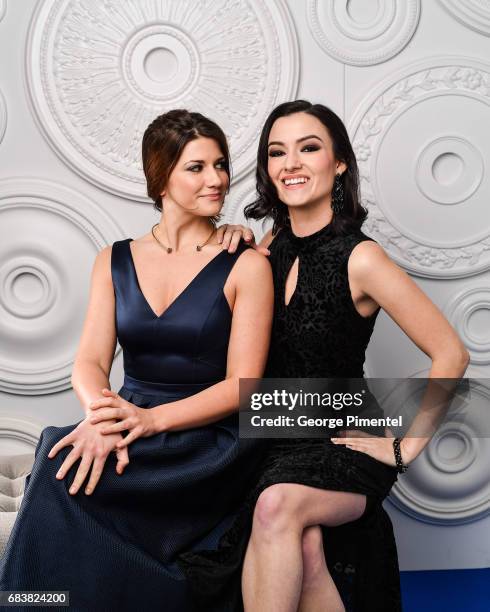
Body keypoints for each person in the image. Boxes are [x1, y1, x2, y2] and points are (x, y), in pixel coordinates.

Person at [183, 100, 470, 612]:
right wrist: (230, 234)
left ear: (338, 163)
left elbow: (451, 353)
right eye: (277, 152)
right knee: (306, 548)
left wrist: (406, 449)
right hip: (273, 438)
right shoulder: (268, 246)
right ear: (268, 170)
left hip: (343, 442)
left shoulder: (363, 258)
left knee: (276, 508)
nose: (291, 163)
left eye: (309, 148)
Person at [0, 109, 273, 611]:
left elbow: (245, 386)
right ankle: (30, 602)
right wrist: (103, 418)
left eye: (220, 164)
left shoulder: (247, 264)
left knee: (69, 472)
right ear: (160, 175)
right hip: (126, 417)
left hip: (209, 438)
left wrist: (148, 421)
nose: (216, 179)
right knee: (57, 453)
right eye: (196, 167)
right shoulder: (113, 258)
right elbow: (88, 362)